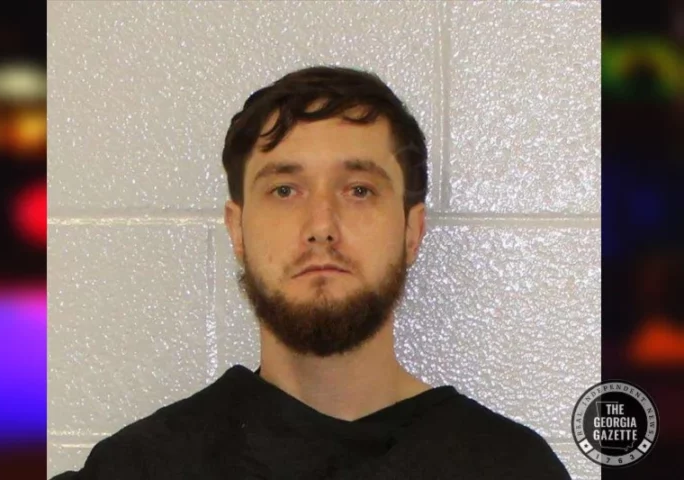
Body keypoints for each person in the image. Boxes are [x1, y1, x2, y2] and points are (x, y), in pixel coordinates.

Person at [50, 65, 571, 479]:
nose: (321, 226)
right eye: (284, 190)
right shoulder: (142, 467)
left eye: (359, 190)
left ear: (412, 231)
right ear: (237, 230)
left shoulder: (509, 467)